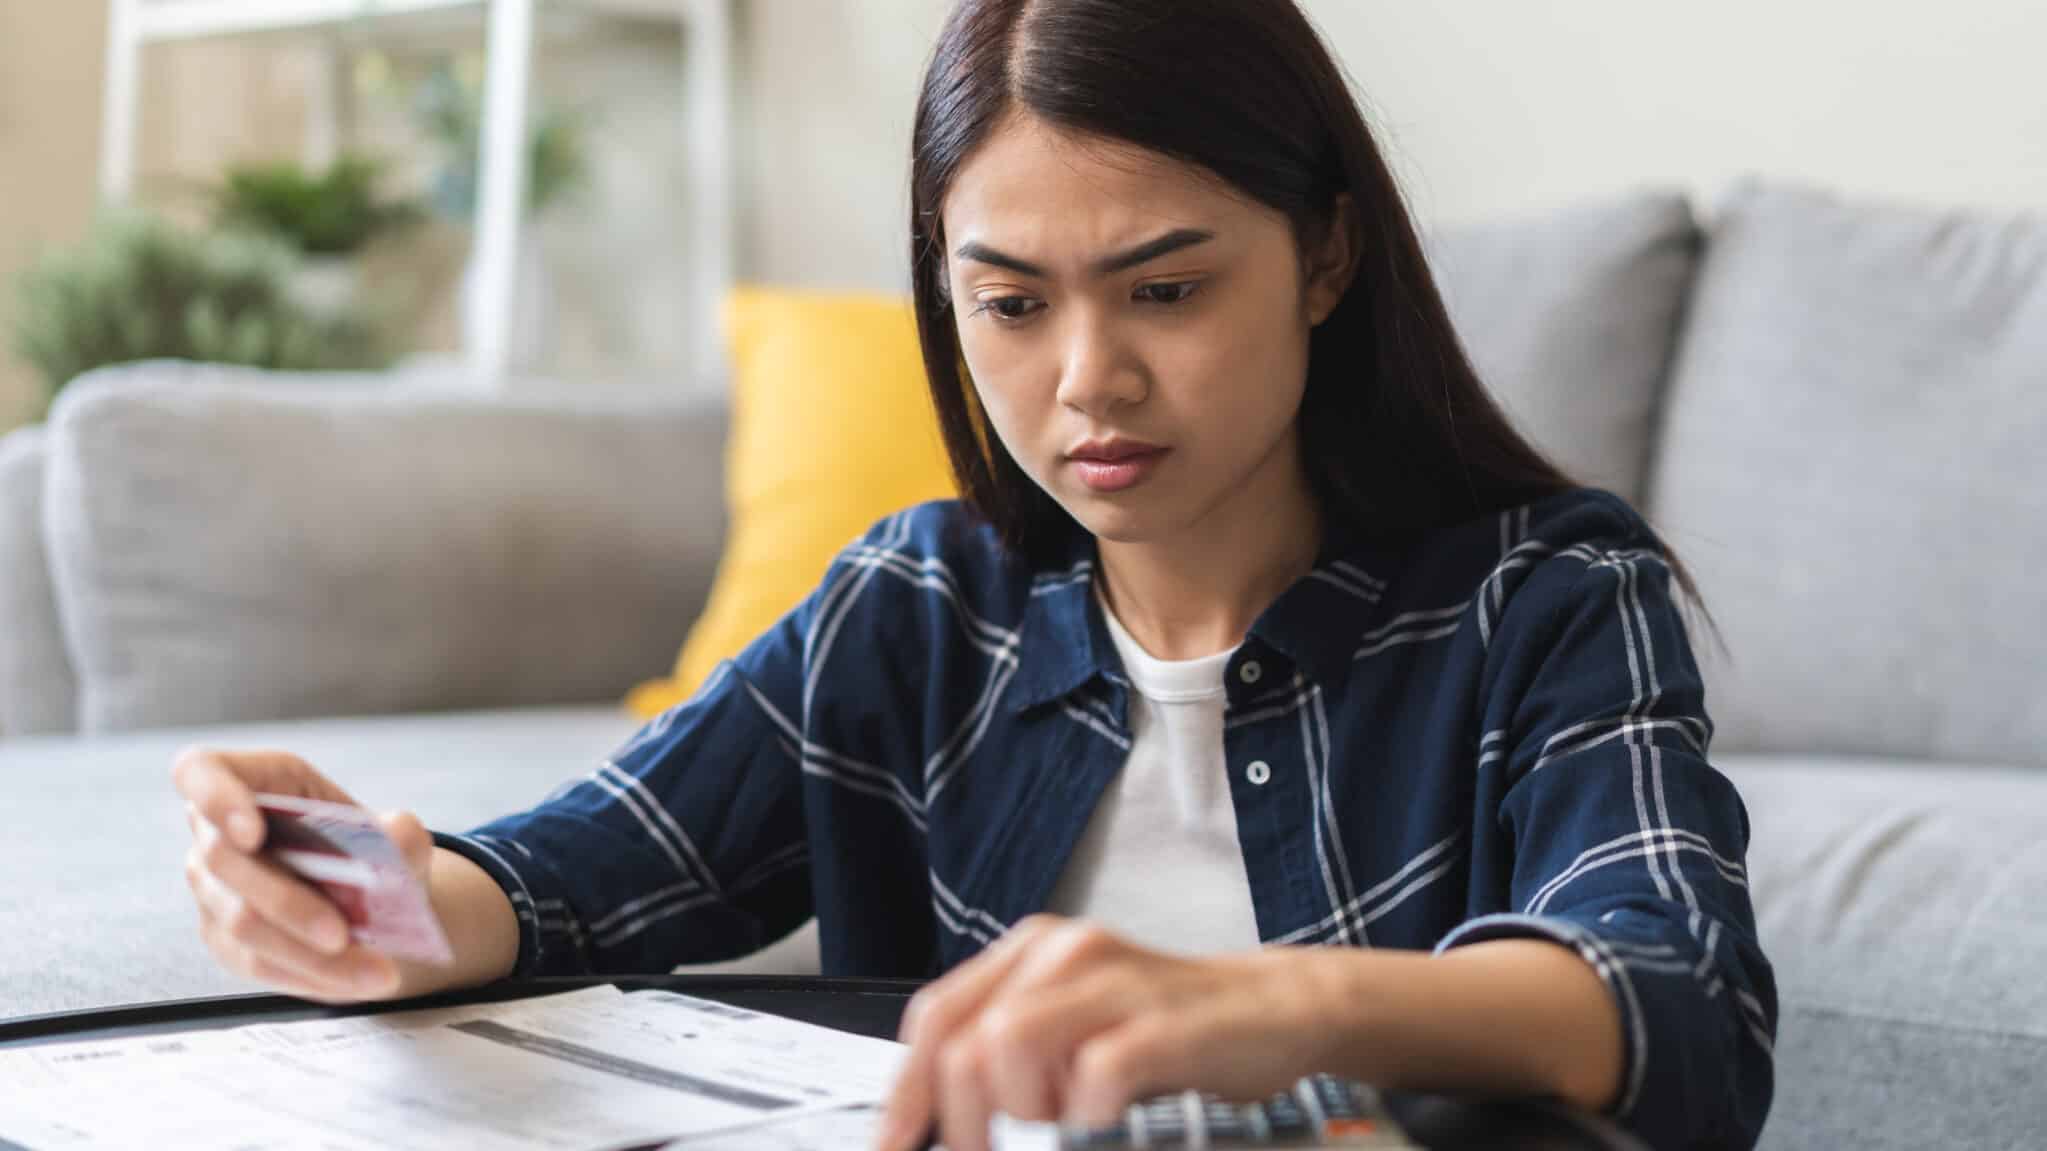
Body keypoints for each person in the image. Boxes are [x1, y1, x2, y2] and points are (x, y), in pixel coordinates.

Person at [172, 1, 1776, 1148]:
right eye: (1011, 305)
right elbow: (570, 877)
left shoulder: (1544, 596)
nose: (1089, 381)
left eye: (1164, 289)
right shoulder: (925, 607)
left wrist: (1282, 1008)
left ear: (1328, 258)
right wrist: (361, 909)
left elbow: (1678, 995)